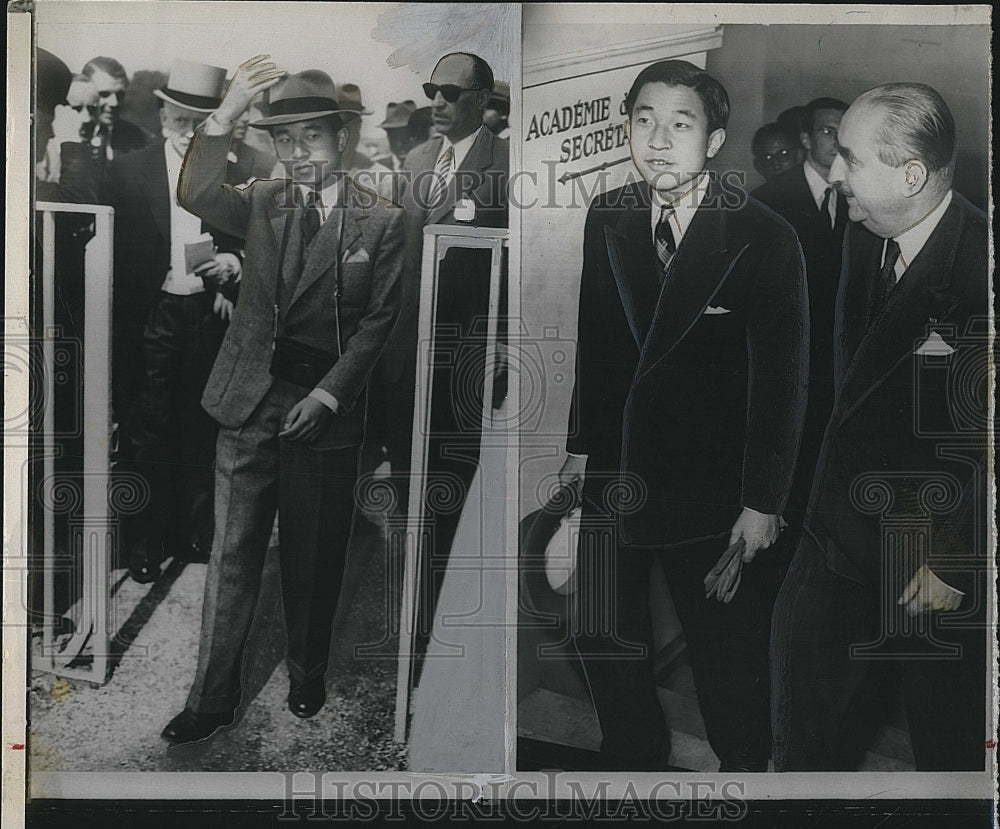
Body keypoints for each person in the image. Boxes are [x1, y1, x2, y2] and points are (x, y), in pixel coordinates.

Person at [558, 59, 808, 772]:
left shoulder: (765, 235)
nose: (658, 138)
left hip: (714, 492)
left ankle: (746, 776)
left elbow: (783, 383)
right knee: (604, 636)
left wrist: (764, 500)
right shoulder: (607, 213)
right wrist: (582, 447)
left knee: (726, 659)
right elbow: (598, 341)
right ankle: (635, 757)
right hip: (615, 469)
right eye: (644, 119)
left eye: (680, 122)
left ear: (716, 138)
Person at [161, 57, 403, 745]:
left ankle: (306, 670)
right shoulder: (261, 198)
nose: (298, 153)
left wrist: (329, 395)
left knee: (313, 551)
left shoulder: (382, 222)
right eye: (285, 139)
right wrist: (229, 109)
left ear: (343, 140)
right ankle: (210, 696)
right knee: (233, 553)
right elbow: (196, 187)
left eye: (313, 138)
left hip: (321, 411)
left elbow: (378, 323)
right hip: (248, 399)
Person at [771, 83, 988, 772]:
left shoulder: (981, 267)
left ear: (912, 175)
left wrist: (953, 557)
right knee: (805, 724)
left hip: (933, 553)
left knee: (945, 741)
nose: (834, 174)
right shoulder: (865, 236)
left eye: (852, 159)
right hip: (837, 531)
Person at [377, 51, 508, 666]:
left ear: (481, 99)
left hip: (464, 363)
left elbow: (515, 276)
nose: (437, 101)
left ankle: (440, 635)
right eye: (432, 89)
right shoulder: (416, 161)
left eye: (452, 93)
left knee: (450, 493)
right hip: (407, 358)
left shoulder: (506, 167)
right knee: (408, 494)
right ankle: (409, 622)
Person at [105, 60, 244, 583]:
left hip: (209, 314)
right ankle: (143, 541)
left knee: (201, 423)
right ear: (164, 114)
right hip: (152, 315)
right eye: (182, 119)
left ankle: (191, 533)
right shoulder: (127, 170)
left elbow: (246, 240)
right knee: (147, 430)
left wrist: (232, 277)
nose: (190, 132)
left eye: (202, 122)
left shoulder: (233, 171)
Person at [752, 97, 849, 544]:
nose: (838, 141)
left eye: (844, 132)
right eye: (829, 131)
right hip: (790, 357)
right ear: (807, 139)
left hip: (839, 359)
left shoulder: (858, 195)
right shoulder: (767, 201)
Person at [81, 56, 149, 159]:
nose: (114, 103)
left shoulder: (140, 139)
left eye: (120, 95)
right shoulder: (59, 135)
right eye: (104, 94)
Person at [375, 99, 417, 171]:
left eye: (405, 136)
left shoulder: (432, 165)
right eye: (394, 137)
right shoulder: (379, 169)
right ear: (388, 137)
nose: (399, 144)